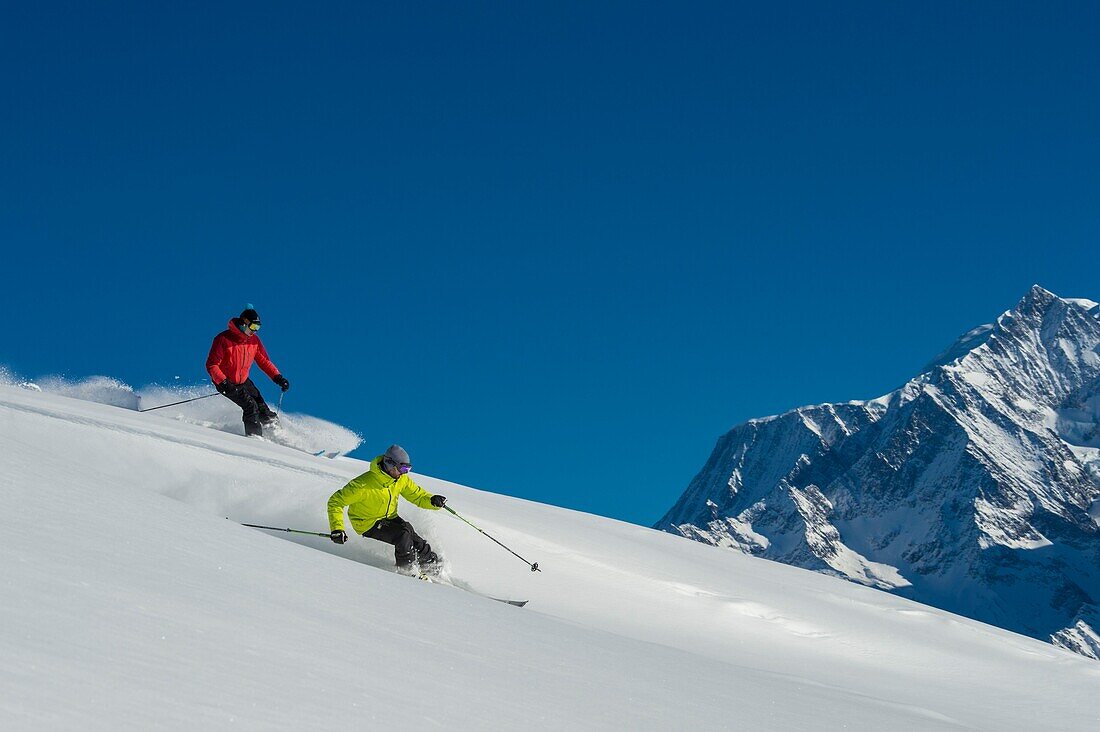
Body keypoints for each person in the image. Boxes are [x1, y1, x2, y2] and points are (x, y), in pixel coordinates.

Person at [327, 444, 448, 572]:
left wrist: (432, 501)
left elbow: (417, 496)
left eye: (407, 469)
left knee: (408, 529)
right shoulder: (363, 485)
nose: (404, 473)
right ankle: (406, 570)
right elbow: (336, 502)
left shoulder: (400, 480)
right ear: (390, 464)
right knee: (402, 536)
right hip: (367, 522)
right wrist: (337, 529)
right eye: (402, 469)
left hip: (389, 517)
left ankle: (431, 563)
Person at [206, 306, 290, 437]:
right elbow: (212, 365)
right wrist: (223, 382)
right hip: (226, 382)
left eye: (258, 328)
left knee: (263, 409)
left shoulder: (254, 341)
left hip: (244, 381)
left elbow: (263, 361)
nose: (254, 332)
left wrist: (278, 377)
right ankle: (254, 440)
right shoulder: (223, 339)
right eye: (253, 328)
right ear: (244, 323)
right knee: (251, 407)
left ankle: (280, 437)